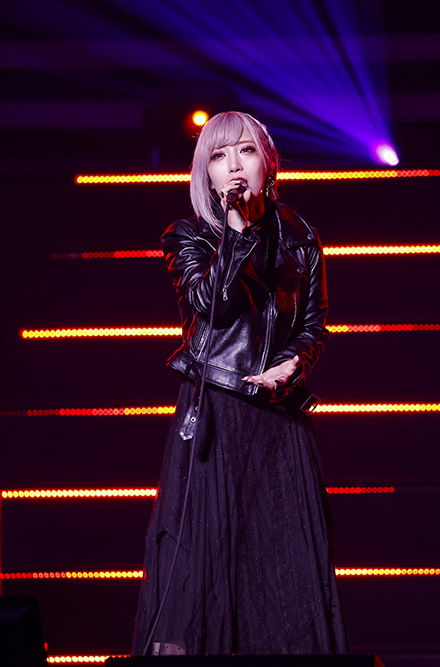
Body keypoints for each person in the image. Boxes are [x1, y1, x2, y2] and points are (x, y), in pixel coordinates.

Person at [132, 111, 347, 655]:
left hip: (277, 417)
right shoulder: (186, 236)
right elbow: (212, 304)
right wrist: (236, 233)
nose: (233, 165)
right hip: (216, 414)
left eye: (246, 151)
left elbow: (314, 325)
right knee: (205, 563)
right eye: (219, 156)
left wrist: (292, 365)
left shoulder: (301, 236)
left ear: (268, 163)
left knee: (282, 567)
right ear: (205, 173)